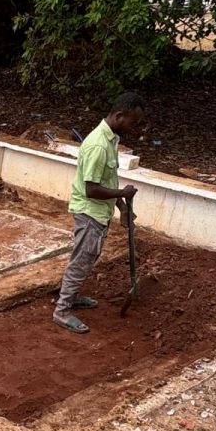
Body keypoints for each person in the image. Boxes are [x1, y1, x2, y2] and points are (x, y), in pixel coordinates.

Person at [53, 93, 145, 333]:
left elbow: (107, 179)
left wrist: (122, 208)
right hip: (89, 213)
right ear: (119, 115)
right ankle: (62, 311)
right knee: (81, 262)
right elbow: (91, 189)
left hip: (99, 213)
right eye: (132, 121)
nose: (133, 127)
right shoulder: (98, 145)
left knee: (86, 258)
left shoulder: (110, 140)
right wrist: (123, 193)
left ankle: (72, 297)